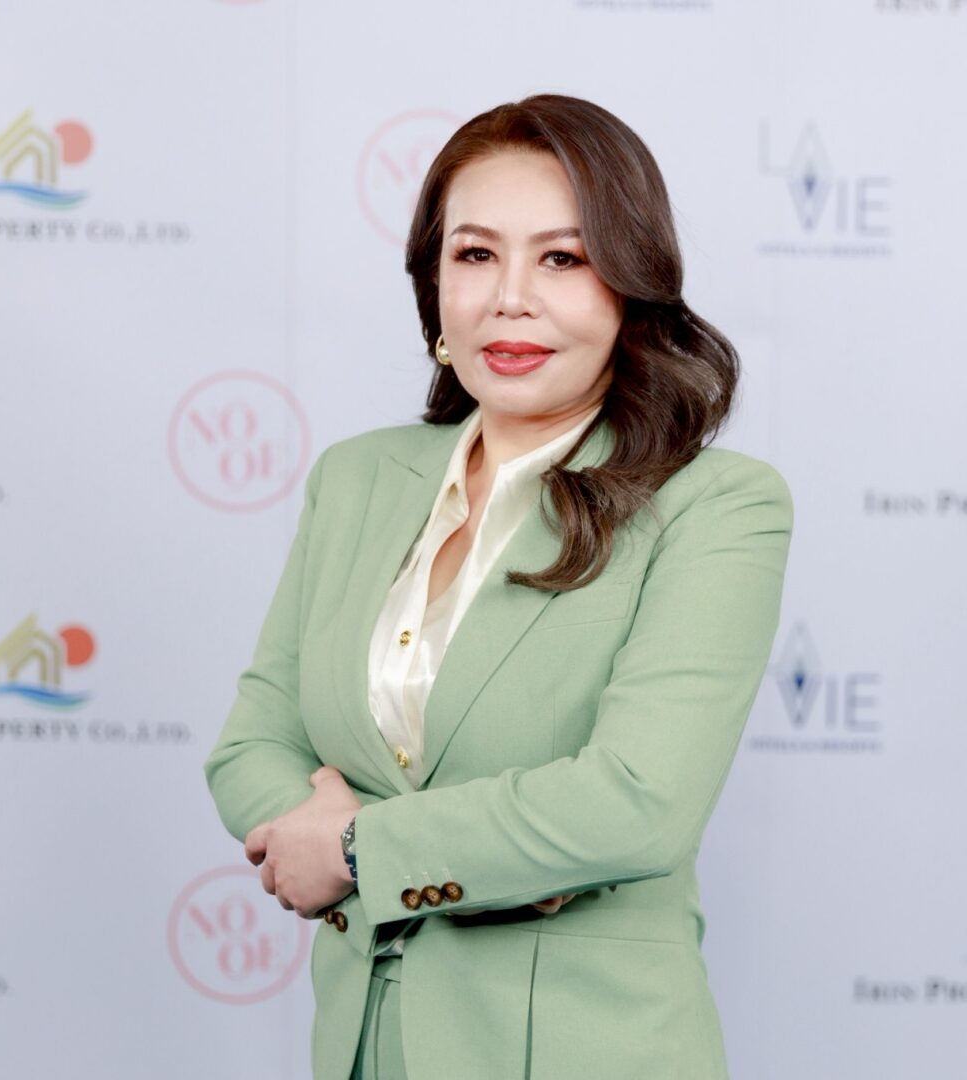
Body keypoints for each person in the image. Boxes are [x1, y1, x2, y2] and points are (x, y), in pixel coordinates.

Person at [204, 93, 793, 1080]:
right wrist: (494, 861)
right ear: (434, 281)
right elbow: (252, 745)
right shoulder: (355, 478)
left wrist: (359, 852)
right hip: (365, 1046)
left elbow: (636, 805)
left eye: (562, 259)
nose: (510, 298)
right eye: (475, 254)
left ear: (632, 286)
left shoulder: (716, 504)